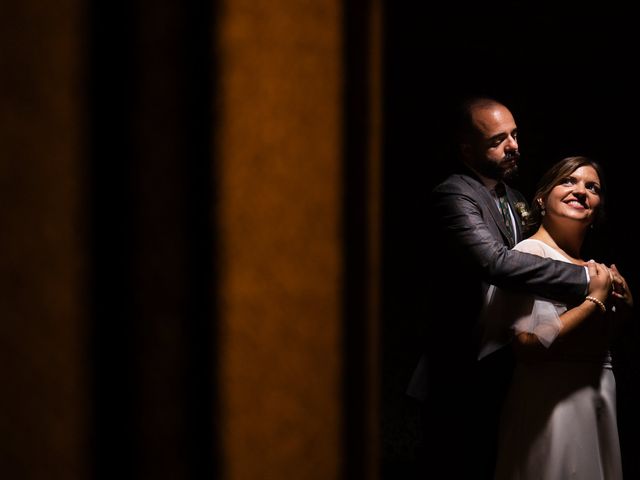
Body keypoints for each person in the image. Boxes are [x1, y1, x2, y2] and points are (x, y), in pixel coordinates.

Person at [405, 96, 610, 479]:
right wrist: (586, 282)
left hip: (507, 375)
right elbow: (495, 261)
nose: (513, 146)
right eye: (498, 140)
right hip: (459, 373)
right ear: (466, 149)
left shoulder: (514, 199)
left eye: (515, 134)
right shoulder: (455, 194)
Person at [479, 155, 633, 479]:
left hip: (599, 398)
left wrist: (626, 306)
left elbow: (605, 342)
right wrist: (594, 301)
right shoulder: (529, 256)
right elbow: (529, 344)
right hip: (550, 403)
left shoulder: (595, 269)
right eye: (568, 181)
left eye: (592, 187)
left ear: (597, 210)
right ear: (541, 199)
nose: (581, 191)